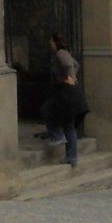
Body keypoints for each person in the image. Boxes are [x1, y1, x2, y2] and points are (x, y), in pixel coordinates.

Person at [41, 32, 87, 169]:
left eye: (51, 42)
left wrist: (68, 78)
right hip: (72, 91)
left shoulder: (60, 53)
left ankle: (57, 135)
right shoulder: (66, 53)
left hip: (66, 90)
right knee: (69, 124)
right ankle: (72, 156)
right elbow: (76, 64)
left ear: (56, 43)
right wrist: (73, 77)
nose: (50, 45)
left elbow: (68, 65)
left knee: (46, 109)